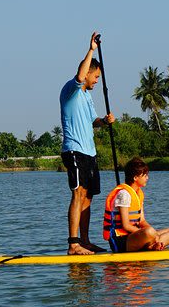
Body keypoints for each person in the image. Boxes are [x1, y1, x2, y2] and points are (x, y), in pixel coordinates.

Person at [60, 31, 115, 255]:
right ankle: (73, 244)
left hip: (90, 152)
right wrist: (91, 49)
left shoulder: (87, 97)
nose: (96, 80)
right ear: (90, 72)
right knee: (78, 193)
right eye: (96, 77)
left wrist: (105, 121)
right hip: (74, 150)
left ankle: (84, 241)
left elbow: (94, 121)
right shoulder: (71, 90)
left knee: (89, 196)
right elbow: (81, 76)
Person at [103, 157, 169, 252]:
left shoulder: (138, 194)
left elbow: (142, 221)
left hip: (137, 236)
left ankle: (151, 245)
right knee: (149, 232)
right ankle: (152, 245)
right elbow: (126, 226)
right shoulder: (124, 194)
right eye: (145, 175)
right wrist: (152, 235)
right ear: (135, 177)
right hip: (121, 241)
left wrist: (153, 234)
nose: (147, 178)